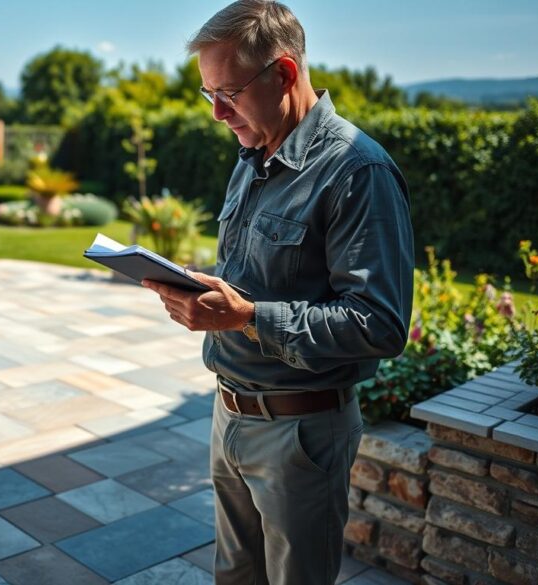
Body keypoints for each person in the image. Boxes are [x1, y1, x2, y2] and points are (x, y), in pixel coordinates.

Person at [140, 1, 414, 584]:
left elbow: (379, 324)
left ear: (284, 75)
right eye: (206, 94)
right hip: (229, 415)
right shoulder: (253, 153)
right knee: (235, 578)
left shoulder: (358, 171)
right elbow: (263, 274)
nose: (216, 113)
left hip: (299, 435)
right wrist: (200, 285)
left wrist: (245, 316)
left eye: (228, 92)